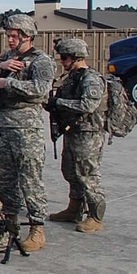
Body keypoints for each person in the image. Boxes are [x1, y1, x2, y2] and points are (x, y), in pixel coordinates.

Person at [0, 14, 55, 252]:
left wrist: (8, 83)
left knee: (30, 179)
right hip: (3, 127)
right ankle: (9, 223)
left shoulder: (41, 61)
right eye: (8, 36)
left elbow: (41, 90)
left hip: (27, 128)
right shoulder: (7, 58)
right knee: (5, 178)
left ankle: (37, 228)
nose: (10, 40)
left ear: (27, 36)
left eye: (14, 36)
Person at [48, 38, 107, 233]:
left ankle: (95, 216)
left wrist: (59, 103)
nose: (62, 62)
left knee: (88, 174)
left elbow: (88, 105)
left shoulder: (90, 78)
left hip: (88, 134)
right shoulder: (72, 77)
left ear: (76, 57)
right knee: (71, 171)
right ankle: (74, 209)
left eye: (65, 58)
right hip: (73, 131)